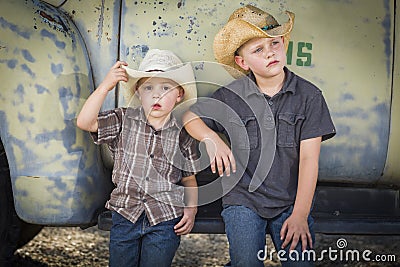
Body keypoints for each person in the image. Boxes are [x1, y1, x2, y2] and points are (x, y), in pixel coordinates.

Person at [183, 5, 336, 266]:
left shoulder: (309, 97)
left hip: (289, 201)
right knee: (246, 263)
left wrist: (300, 214)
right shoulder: (232, 96)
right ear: (242, 62)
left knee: (301, 262)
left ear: (284, 43)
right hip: (243, 200)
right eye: (258, 50)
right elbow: (190, 117)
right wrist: (212, 138)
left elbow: (310, 160)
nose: (270, 53)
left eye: (274, 43)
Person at [77, 49, 199, 267]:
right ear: (138, 92)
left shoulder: (183, 134)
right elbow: (85, 122)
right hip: (126, 213)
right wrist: (106, 86)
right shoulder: (123, 120)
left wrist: (191, 209)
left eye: (165, 88)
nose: (156, 95)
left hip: (165, 218)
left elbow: (189, 178)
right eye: (148, 87)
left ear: (179, 94)